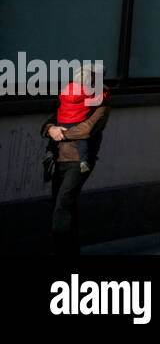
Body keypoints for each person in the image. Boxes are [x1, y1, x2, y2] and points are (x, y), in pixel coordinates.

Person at [40, 65, 111, 256]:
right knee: (64, 205)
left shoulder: (101, 104)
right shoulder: (72, 100)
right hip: (59, 159)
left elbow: (87, 129)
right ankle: (71, 250)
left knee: (62, 205)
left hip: (80, 162)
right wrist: (51, 129)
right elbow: (48, 123)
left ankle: (59, 251)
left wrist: (60, 133)